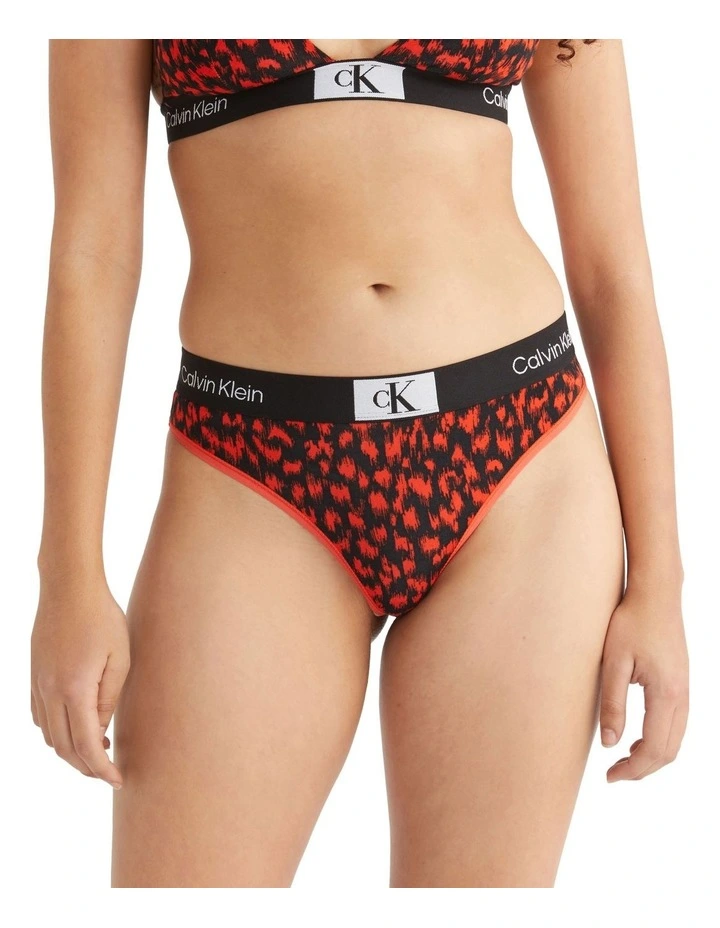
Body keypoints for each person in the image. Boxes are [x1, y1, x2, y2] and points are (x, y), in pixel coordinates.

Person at [31, 39, 689, 888]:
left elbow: (613, 274)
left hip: (521, 466)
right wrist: (68, 576)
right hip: (253, 469)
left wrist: (660, 584)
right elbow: (91, 255)